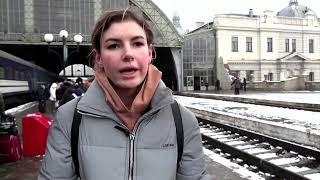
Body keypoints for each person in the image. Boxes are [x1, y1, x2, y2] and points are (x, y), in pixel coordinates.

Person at [38, 8, 208, 180]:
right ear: (98, 58)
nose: (128, 54)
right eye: (113, 45)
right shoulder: (69, 119)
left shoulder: (183, 121)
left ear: (149, 53)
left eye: (137, 44)